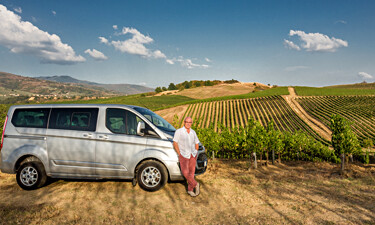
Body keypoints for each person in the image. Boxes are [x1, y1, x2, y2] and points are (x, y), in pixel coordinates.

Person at [173, 117, 200, 197]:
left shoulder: (193, 132)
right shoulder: (179, 131)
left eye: (190, 122)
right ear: (184, 122)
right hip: (183, 155)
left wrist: (196, 151)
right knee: (185, 172)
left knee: (191, 173)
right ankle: (196, 184)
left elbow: (197, 142)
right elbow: (175, 142)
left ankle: (190, 190)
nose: (188, 123)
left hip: (192, 154)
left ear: (191, 123)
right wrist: (179, 154)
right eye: (187, 122)